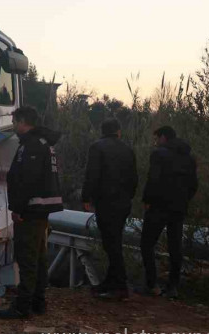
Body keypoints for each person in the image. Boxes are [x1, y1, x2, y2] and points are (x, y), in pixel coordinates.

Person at [0, 106, 64, 319]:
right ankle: (38, 302)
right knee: (39, 257)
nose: (14, 126)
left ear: (23, 121)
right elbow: (28, 174)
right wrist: (9, 174)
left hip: (31, 210)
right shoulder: (42, 143)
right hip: (40, 209)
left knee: (27, 258)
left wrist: (18, 209)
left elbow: (28, 181)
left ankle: (22, 306)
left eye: (15, 122)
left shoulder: (31, 145)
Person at [81, 119, 138, 300]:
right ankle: (111, 282)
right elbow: (134, 178)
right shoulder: (127, 149)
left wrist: (86, 197)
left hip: (106, 202)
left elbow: (92, 174)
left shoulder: (97, 147)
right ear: (118, 132)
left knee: (111, 245)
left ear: (102, 131)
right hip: (123, 203)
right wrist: (128, 196)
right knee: (114, 242)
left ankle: (120, 287)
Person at [140, 126, 198, 299]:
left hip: (159, 206)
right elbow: (194, 185)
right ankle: (173, 287)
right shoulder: (189, 158)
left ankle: (152, 285)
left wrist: (147, 200)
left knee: (146, 244)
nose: (156, 142)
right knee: (175, 247)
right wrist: (184, 199)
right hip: (179, 207)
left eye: (157, 138)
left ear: (164, 137)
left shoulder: (159, 154)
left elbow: (153, 179)